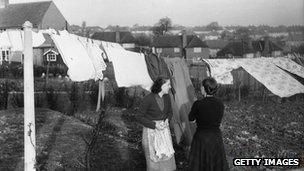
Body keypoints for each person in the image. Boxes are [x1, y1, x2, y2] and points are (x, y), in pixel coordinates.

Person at [188, 77, 229, 171]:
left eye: (201, 87)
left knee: (200, 166)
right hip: (216, 138)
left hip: (201, 138)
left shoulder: (198, 104)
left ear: (204, 88)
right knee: (216, 166)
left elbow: (191, 120)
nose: (200, 88)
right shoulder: (220, 104)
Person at [137, 77, 176, 171]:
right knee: (154, 163)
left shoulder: (167, 97)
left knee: (166, 159)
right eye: (168, 85)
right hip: (151, 133)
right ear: (161, 86)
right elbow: (139, 116)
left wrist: (167, 119)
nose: (170, 87)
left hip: (164, 132)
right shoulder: (148, 99)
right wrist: (154, 125)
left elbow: (170, 112)